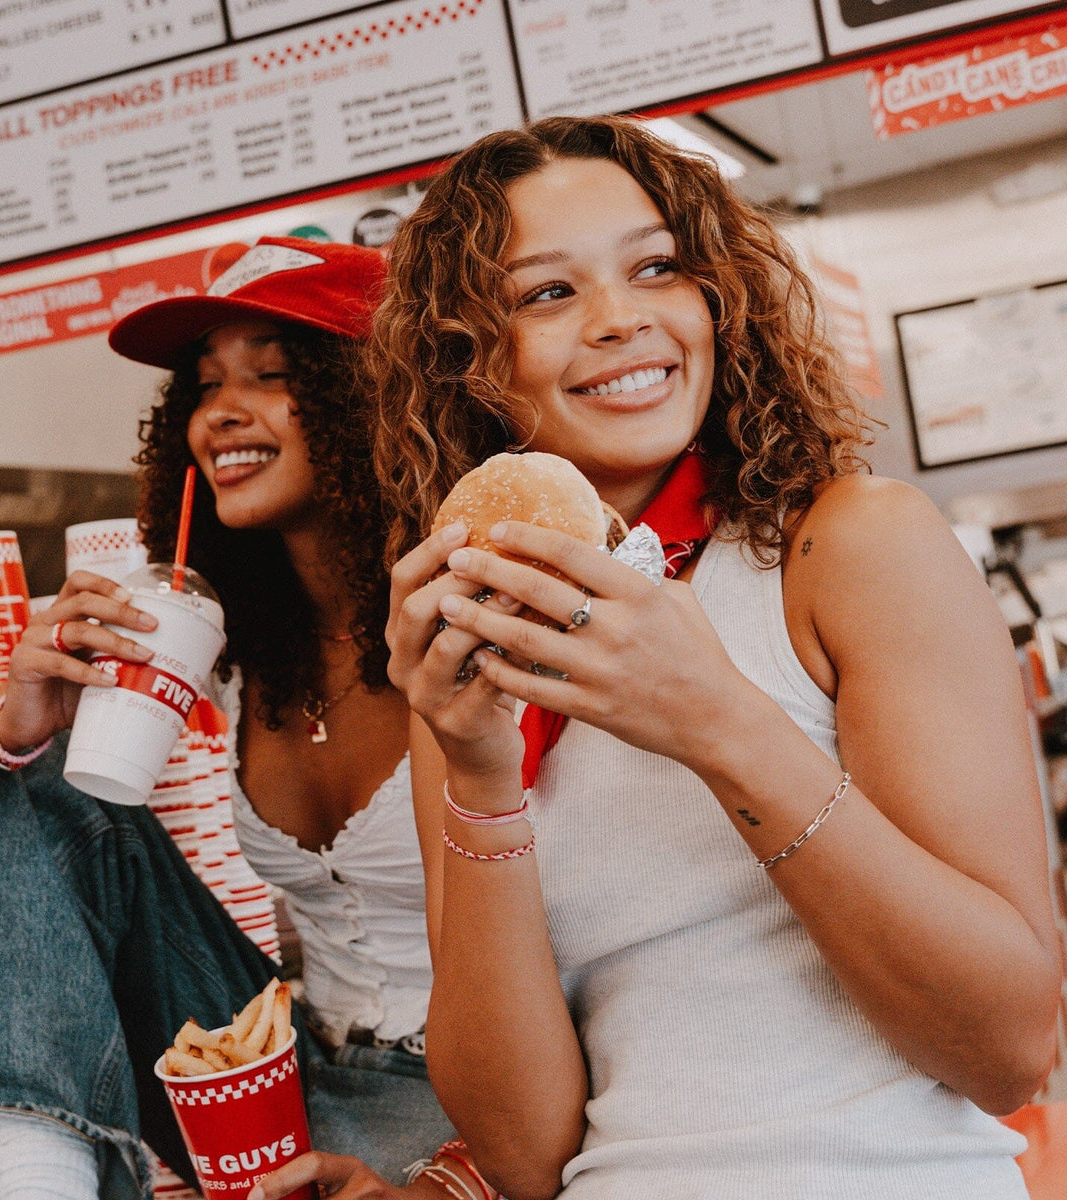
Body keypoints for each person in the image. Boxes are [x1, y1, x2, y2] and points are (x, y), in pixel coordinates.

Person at [368, 115, 1064, 1200]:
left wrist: (718, 722)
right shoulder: (471, 659)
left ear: (716, 299)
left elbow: (1007, 1045)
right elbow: (524, 1153)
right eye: (547, 294)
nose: (620, 320)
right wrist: (478, 777)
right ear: (472, 363)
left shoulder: (846, 547)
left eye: (657, 267)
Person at [0, 237, 471, 1200]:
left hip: (472, 1097)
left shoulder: (470, 619)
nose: (220, 412)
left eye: (274, 377)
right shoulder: (226, 645)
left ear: (377, 398)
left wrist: (465, 1183)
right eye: (204, 386)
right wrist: (20, 716)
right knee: (21, 785)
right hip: (285, 1055)